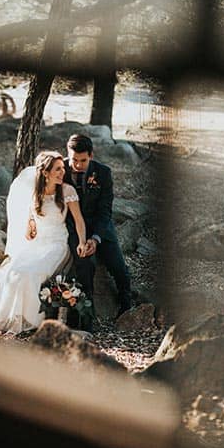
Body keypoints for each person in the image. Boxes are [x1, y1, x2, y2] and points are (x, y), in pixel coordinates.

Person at [0, 151, 88, 334]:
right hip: (37, 243)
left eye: (62, 168)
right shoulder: (35, 193)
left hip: (57, 244)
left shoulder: (67, 191)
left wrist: (82, 242)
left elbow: (79, 220)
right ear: (45, 173)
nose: (62, 172)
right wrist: (31, 225)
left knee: (30, 274)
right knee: (12, 272)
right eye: (57, 169)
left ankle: (29, 321)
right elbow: (30, 220)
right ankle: (6, 319)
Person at [64, 134, 132, 329]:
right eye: (74, 160)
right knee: (85, 264)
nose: (77, 165)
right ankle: (86, 315)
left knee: (117, 265)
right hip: (74, 226)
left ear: (91, 155)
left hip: (101, 227)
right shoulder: (61, 170)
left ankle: (126, 304)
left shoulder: (103, 173)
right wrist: (81, 239)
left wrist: (95, 238)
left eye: (83, 160)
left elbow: (105, 211)